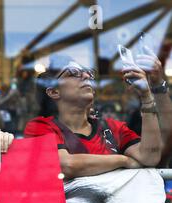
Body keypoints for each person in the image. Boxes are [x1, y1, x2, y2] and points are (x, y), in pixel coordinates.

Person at [24, 58, 162, 179]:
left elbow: (150, 157)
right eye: (73, 73)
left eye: (88, 73)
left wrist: (146, 97)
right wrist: (124, 161)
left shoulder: (113, 128)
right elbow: (67, 165)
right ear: (54, 92)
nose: (85, 76)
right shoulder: (40, 126)